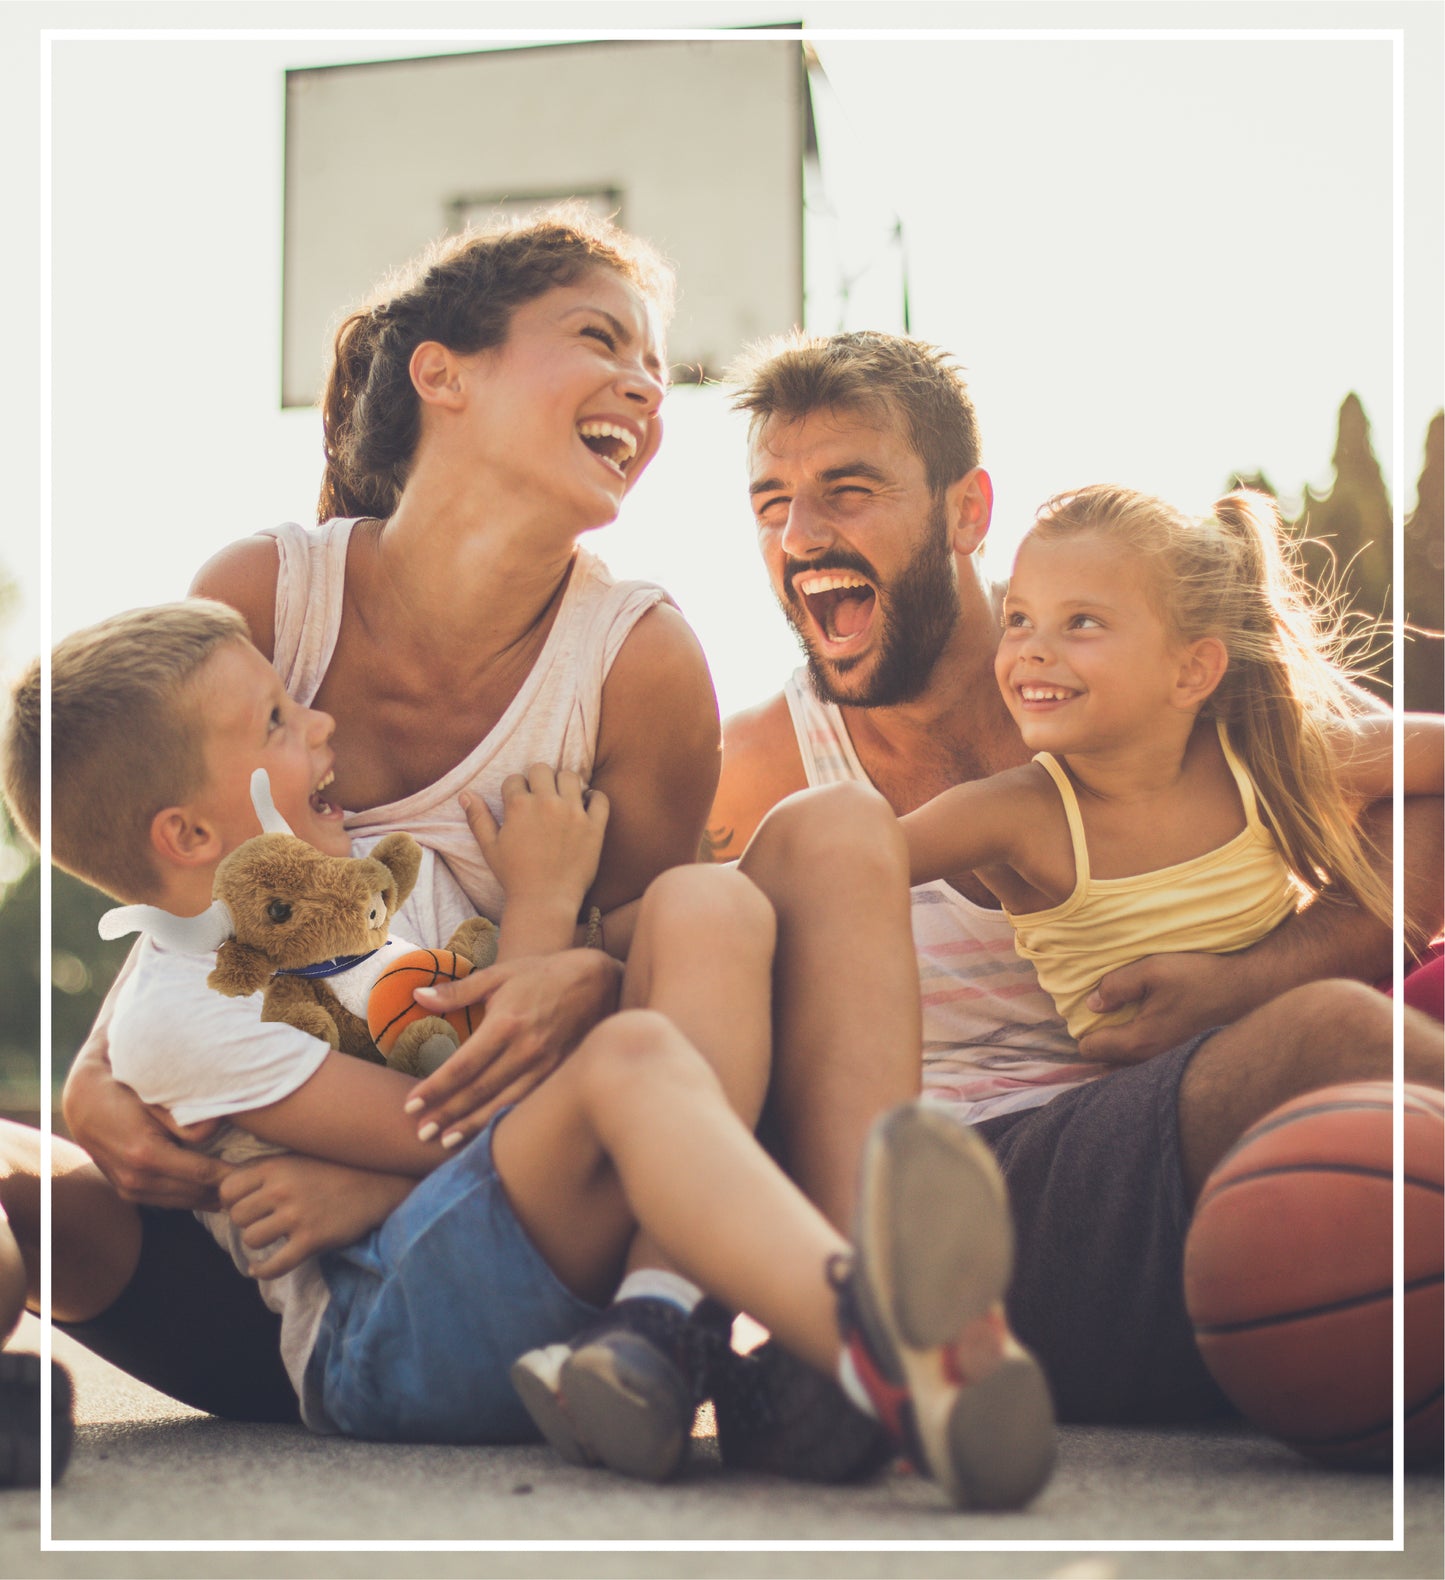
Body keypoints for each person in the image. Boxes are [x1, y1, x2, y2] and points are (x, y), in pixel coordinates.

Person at [1, 600, 1056, 1509]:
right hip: (385, 1334)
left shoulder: (381, 876)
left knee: (705, 901)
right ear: (187, 836)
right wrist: (545, 907)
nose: (319, 722)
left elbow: (491, 1064)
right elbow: (465, 1109)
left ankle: (683, 1323)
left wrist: (591, 944)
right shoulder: (178, 1008)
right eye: (276, 719)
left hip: (489, 1247)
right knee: (631, 1060)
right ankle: (879, 1338)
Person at [708, 330, 1445, 1425]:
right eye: (770, 502)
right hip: (971, 1195)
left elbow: (1410, 780)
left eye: (846, 491)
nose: (800, 533)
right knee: (1337, 1041)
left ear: (967, 511)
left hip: (1188, 1139)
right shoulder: (763, 762)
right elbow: (669, 944)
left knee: (1356, 1089)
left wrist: (1242, 980)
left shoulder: (1131, 674)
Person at [899, 482, 1445, 1041]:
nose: (1031, 649)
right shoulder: (1010, 813)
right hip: (1185, 1087)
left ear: (1191, 672)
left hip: (1329, 1024)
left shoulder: (1256, 762)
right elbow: (853, 859)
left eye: (1082, 621)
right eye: (1017, 618)